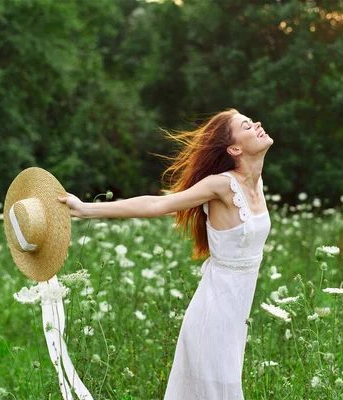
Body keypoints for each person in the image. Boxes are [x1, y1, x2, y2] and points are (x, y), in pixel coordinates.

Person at [57, 108, 274, 399]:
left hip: (236, 320)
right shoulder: (221, 185)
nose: (257, 124)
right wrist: (86, 209)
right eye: (247, 125)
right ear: (234, 148)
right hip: (213, 316)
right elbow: (156, 206)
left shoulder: (256, 184)